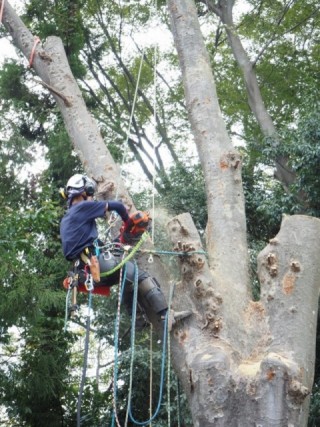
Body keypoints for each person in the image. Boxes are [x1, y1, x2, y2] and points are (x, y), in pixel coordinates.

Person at [59, 174, 188, 333]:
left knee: (127, 281)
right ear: (85, 192)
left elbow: (95, 246)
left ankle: (138, 320)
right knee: (142, 276)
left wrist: (119, 239)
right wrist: (128, 223)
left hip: (86, 272)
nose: (92, 198)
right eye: (91, 194)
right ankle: (166, 315)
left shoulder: (66, 219)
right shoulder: (81, 207)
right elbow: (118, 206)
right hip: (99, 263)